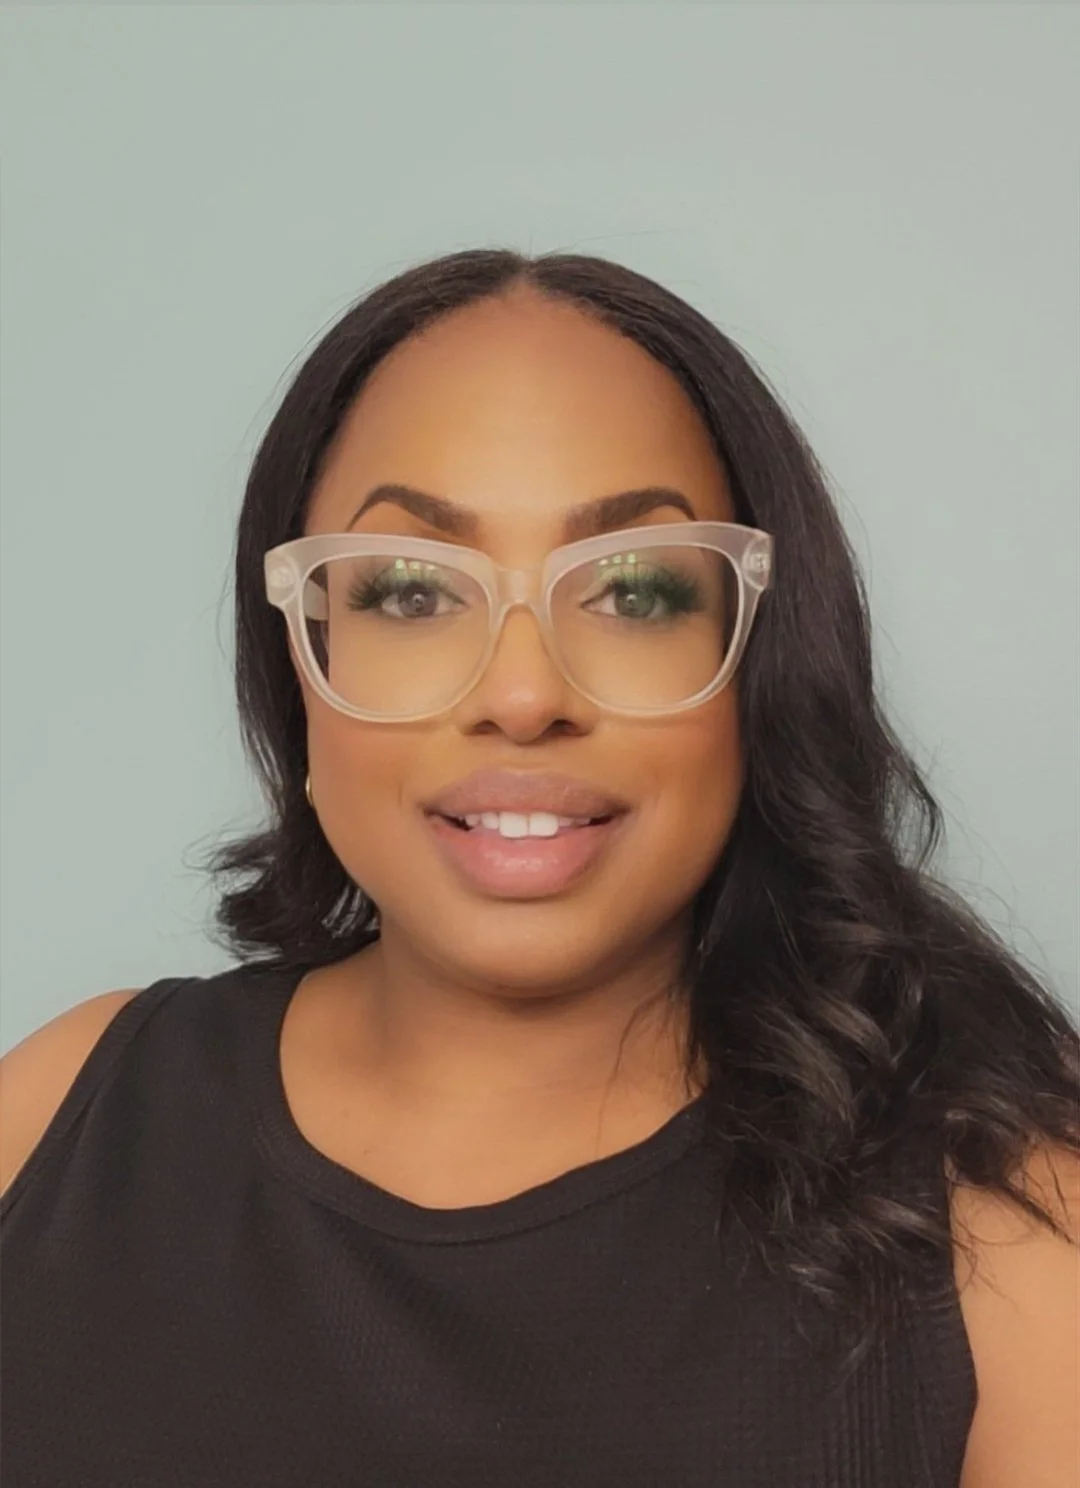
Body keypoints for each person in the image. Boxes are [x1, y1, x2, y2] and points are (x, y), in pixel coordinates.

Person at [1, 248, 1077, 1487]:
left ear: (760, 662)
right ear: (300, 663)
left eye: (636, 591)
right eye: (412, 592)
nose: (522, 696)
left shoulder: (1009, 1247)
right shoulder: (57, 1122)